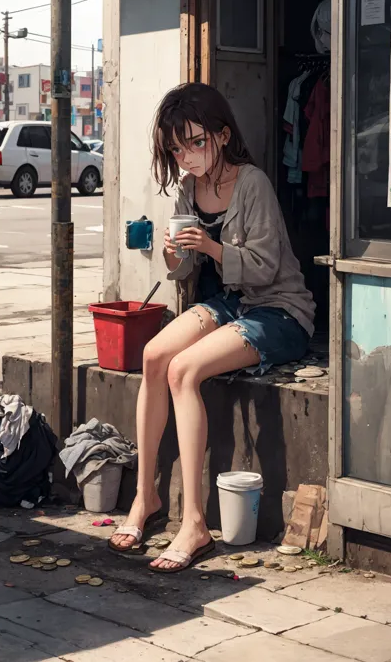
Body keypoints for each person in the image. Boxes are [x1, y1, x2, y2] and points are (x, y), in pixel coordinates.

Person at [109, 82, 315, 572]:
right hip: (232, 302)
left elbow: (265, 269)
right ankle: (145, 498)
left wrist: (213, 247)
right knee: (155, 356)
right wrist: (173, 251)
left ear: (222, 136)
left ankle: (196, 521)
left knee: (183, 370)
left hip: (280, 310)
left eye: (195, 142)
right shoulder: (187, 188)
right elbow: (182, 272)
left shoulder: (253, 183)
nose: (187, 156)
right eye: (176, 148)